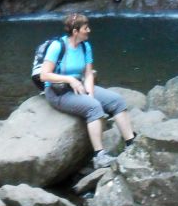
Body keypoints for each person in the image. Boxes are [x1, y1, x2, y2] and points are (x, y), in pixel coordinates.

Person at [40, 12, 136, 169]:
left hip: (80, 87)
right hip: (58, 92)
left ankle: (131, 144)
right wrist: (70, 79)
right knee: (94, 107)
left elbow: (88, 74)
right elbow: (44, 75)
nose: (89, 30)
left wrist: (90, 94)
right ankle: (99, 156)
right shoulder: (57, 47)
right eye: (86, 28)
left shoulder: (85, 47)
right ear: (75, 31)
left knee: (117, 101)